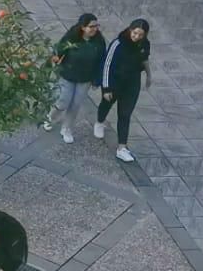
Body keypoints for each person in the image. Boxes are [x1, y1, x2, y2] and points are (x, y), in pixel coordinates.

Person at [44, 13, 105, 143]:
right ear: (83, 27)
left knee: (75, 105)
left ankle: (67, 129)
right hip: (68, 75)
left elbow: (101, 61)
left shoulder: (99, 41)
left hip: (85, 79)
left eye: (96, 26)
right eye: (91, 26)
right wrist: (55, 58)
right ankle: (50, 118)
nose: (94, 29)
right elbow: (59, 49)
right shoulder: (72, 37)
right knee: (62, 102)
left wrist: (97, 80)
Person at [96, 19, 151, 163]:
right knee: (106, 104)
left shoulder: (144, 44)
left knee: (125, 114)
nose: (136, 37)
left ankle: (122, 147)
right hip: (114, 81)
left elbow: (144, 59)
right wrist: (106, 87)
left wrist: (149, 75)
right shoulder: (118, 43)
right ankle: (100, 121)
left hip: (132, 83)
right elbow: (107, 65)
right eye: (135, 33)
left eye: (140, 35)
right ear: (130, 30)